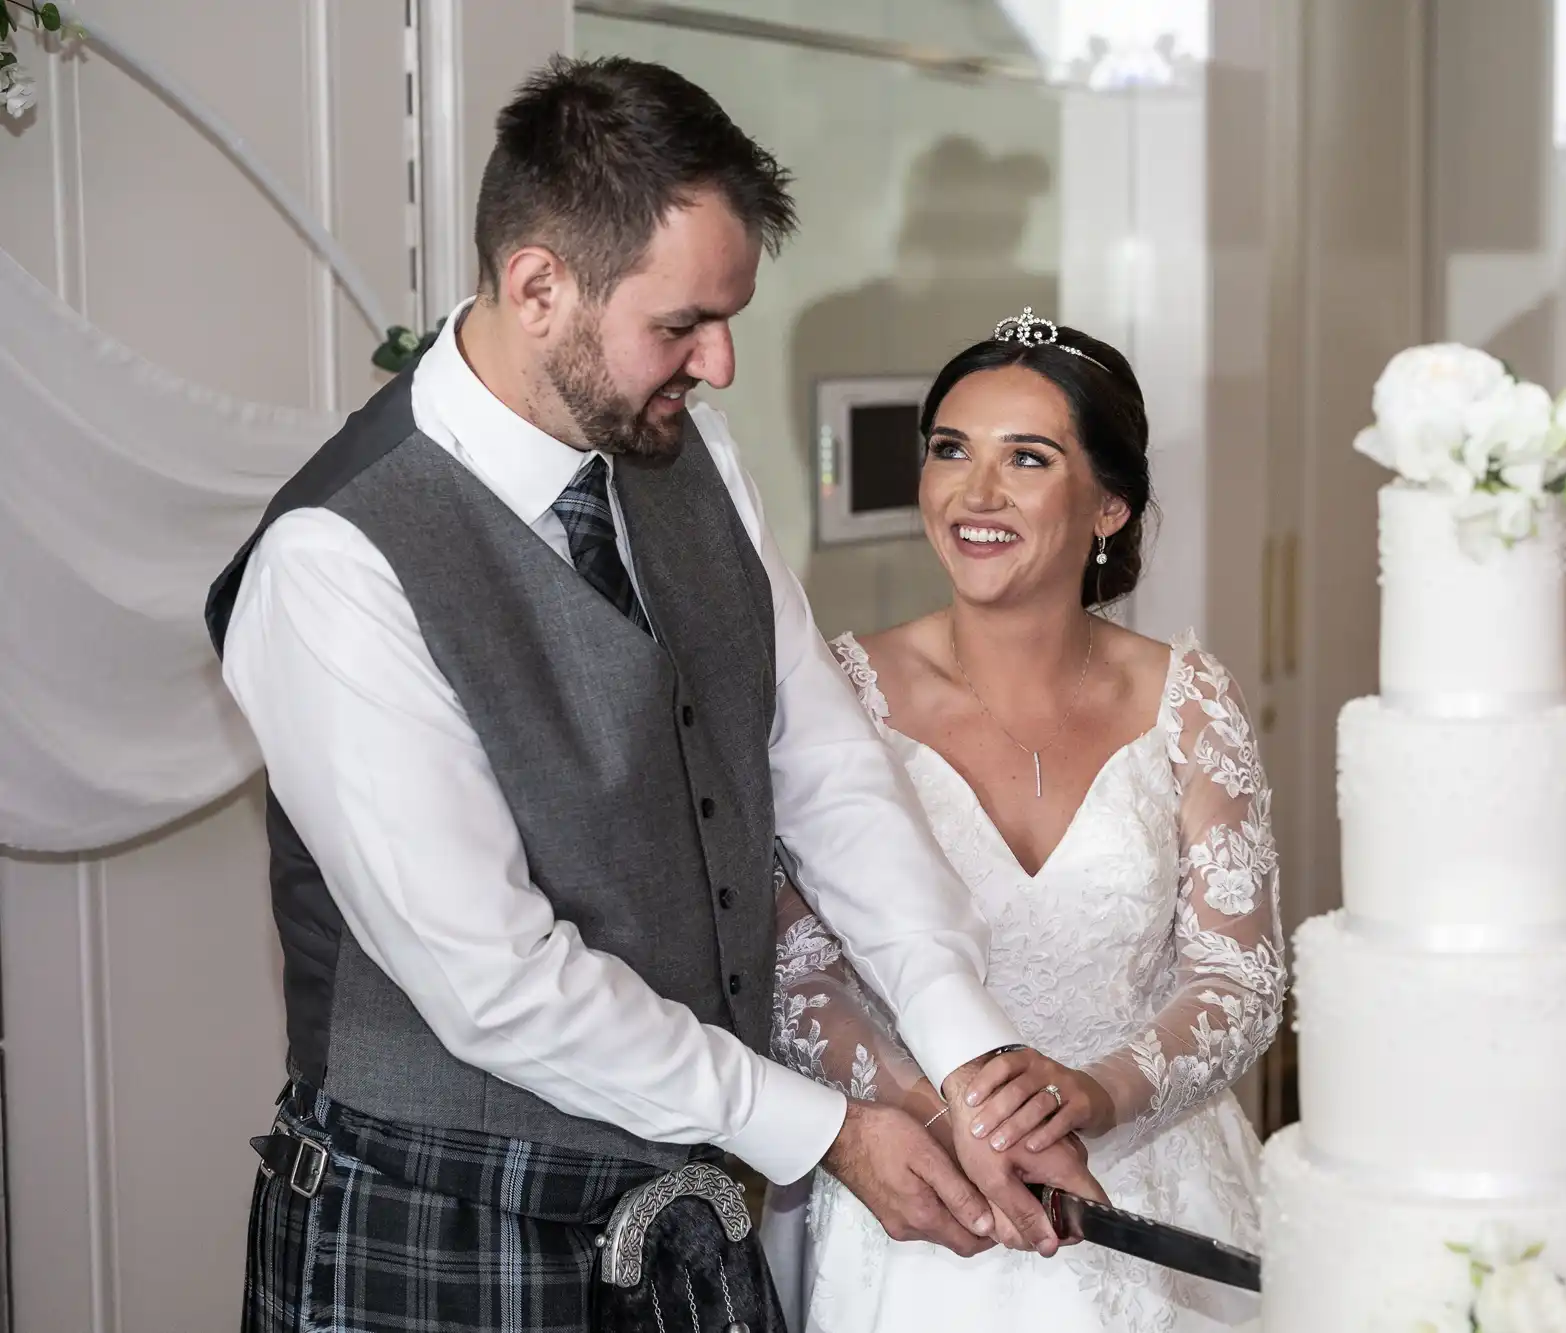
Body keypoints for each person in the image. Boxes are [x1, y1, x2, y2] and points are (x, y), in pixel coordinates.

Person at [205, 58, 1098, 1333]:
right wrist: (826, 1129)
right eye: (682, 324)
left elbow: (823, 772)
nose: (721, 363)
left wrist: (968, 1057)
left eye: (729, 317)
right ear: (537, 285)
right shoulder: (334, 561)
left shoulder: (689, 454)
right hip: (439, 1220)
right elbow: (496, 981)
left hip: (676, 1207)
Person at [763, 311, 1285, 1333]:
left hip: (1151, 1186)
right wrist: (953, 1113)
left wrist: (1093, 1094)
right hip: (925, 1201)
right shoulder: (836, 696)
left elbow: (1240, 980)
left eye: (1026, 458)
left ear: (1107, 507)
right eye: (949, 450)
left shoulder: (1189, 701)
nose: (975, 492)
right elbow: (799, 975)